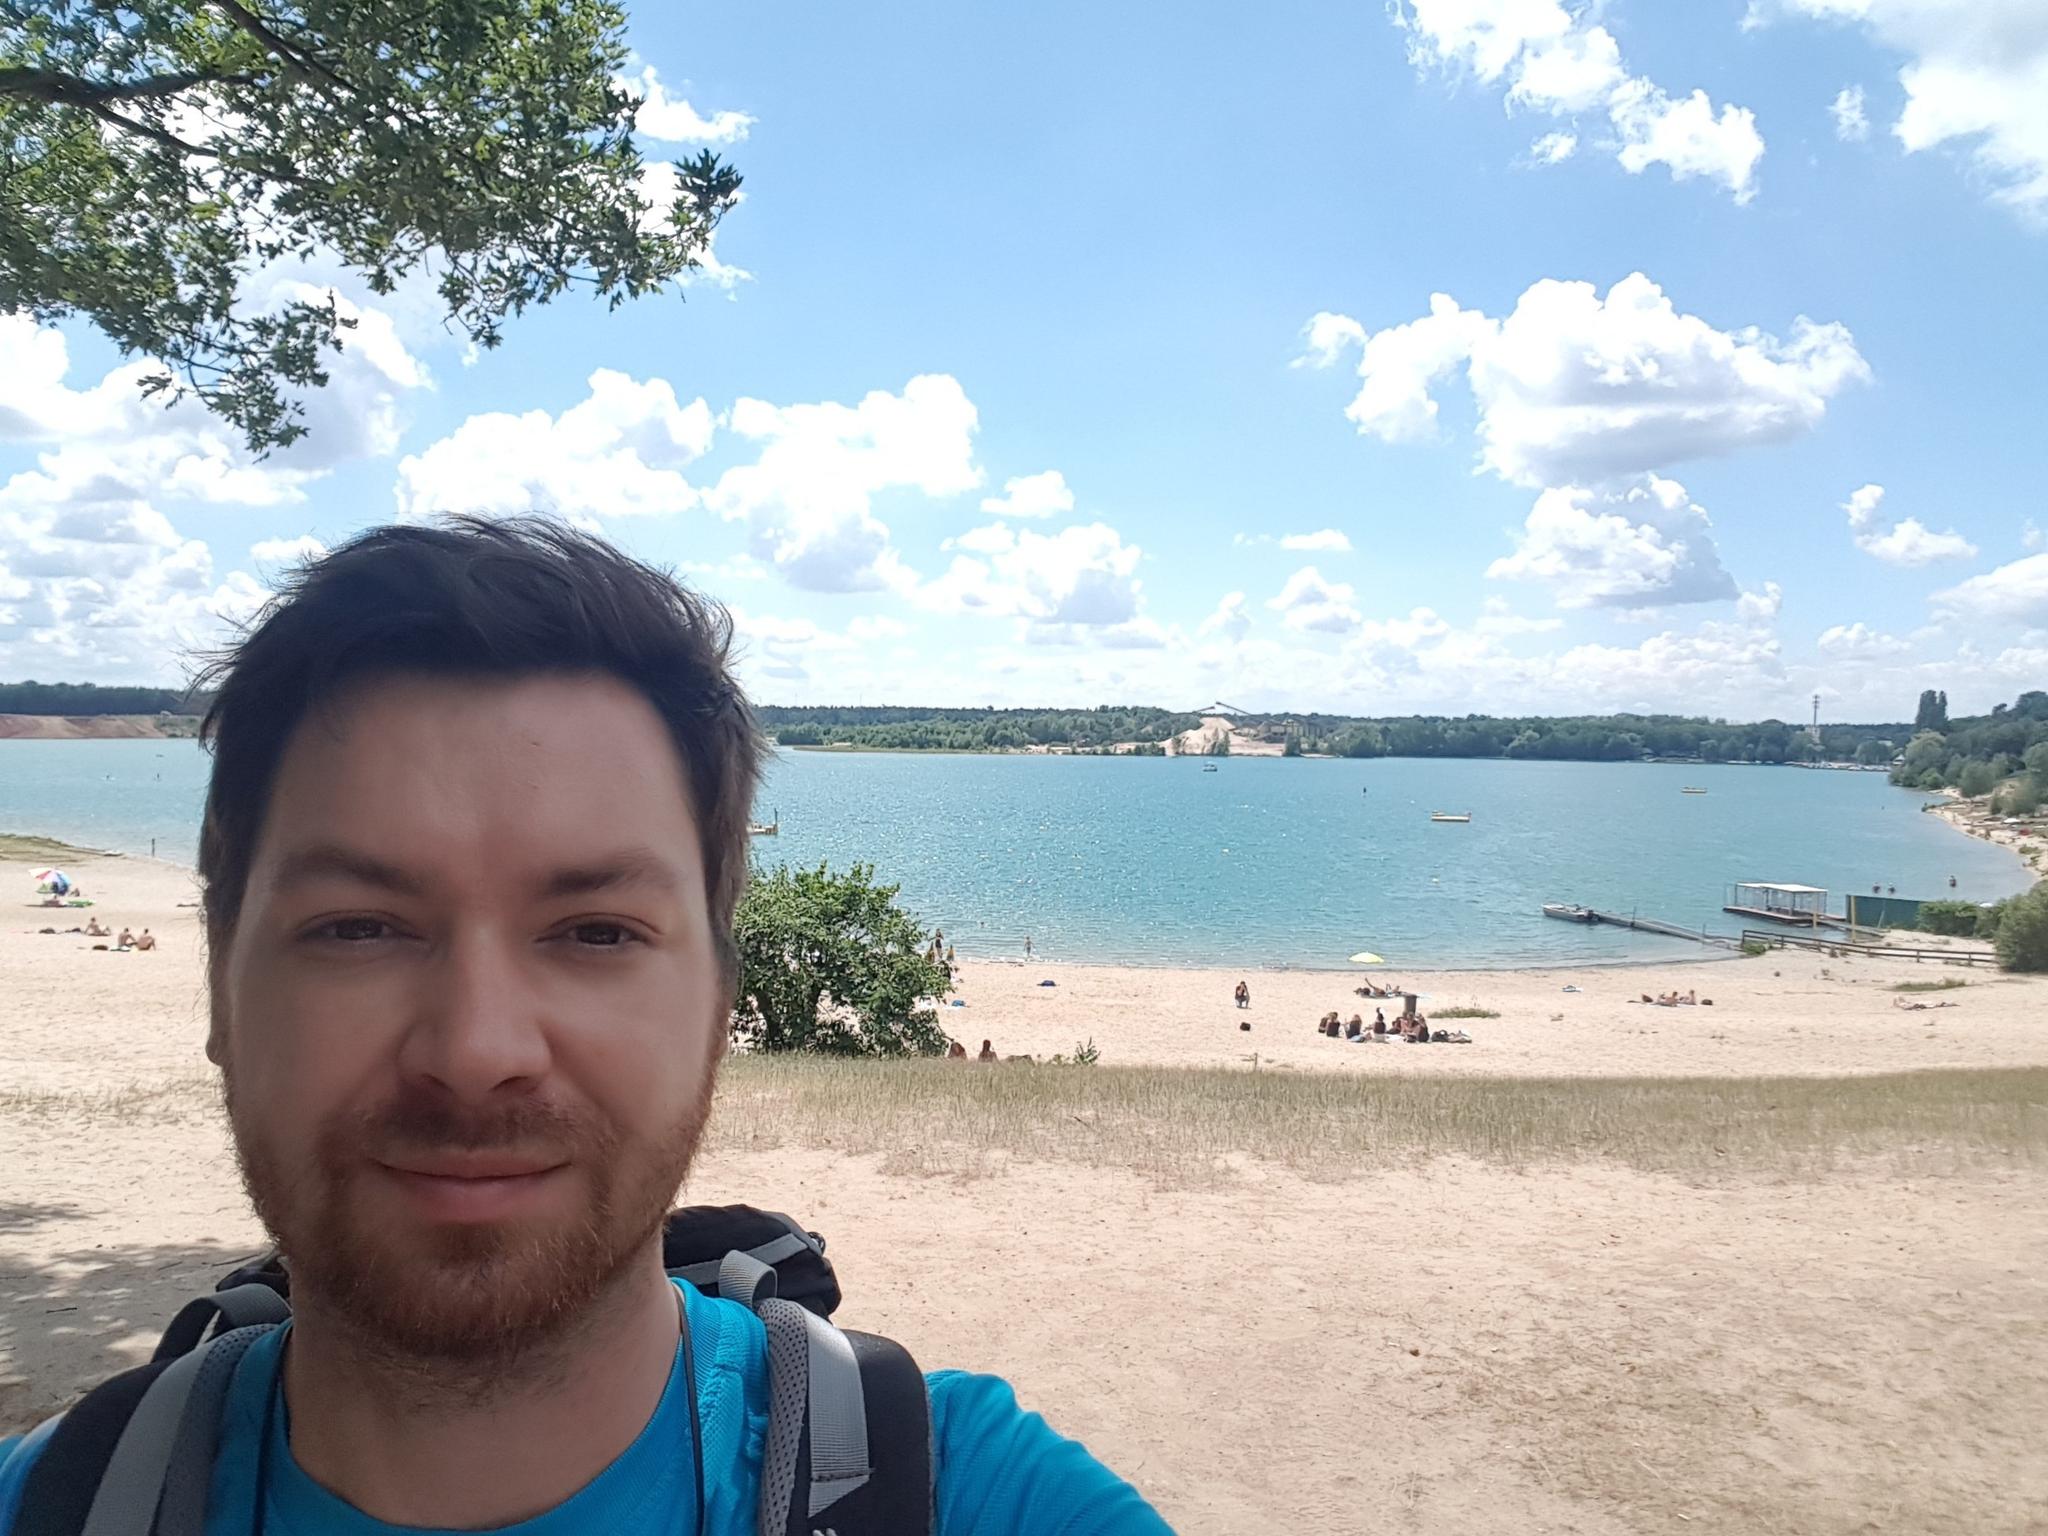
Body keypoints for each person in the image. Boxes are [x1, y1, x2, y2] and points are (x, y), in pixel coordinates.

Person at [0, 519, 1167, 1536]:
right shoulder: (54, 1502)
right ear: (221, 982)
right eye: (358, 927)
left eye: (596, 932)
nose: (476, 1051)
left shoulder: (968, 1498)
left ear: (716, 1006)